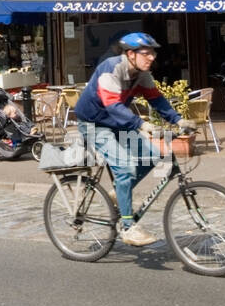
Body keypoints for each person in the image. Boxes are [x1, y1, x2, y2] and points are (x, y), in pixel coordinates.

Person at [73, 33, 194, 247]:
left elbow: (156, 99)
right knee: (125, 167)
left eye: (153, 53)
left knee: (153, 155)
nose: (152, 57)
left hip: (116, 122)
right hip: (94, 123)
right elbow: (113, 106)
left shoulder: (141, 74)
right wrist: (141, 124)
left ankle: (117, 194)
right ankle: (128, 228)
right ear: (130, 54)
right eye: (146, 53)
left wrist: (179, 120)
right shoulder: (111, 69)